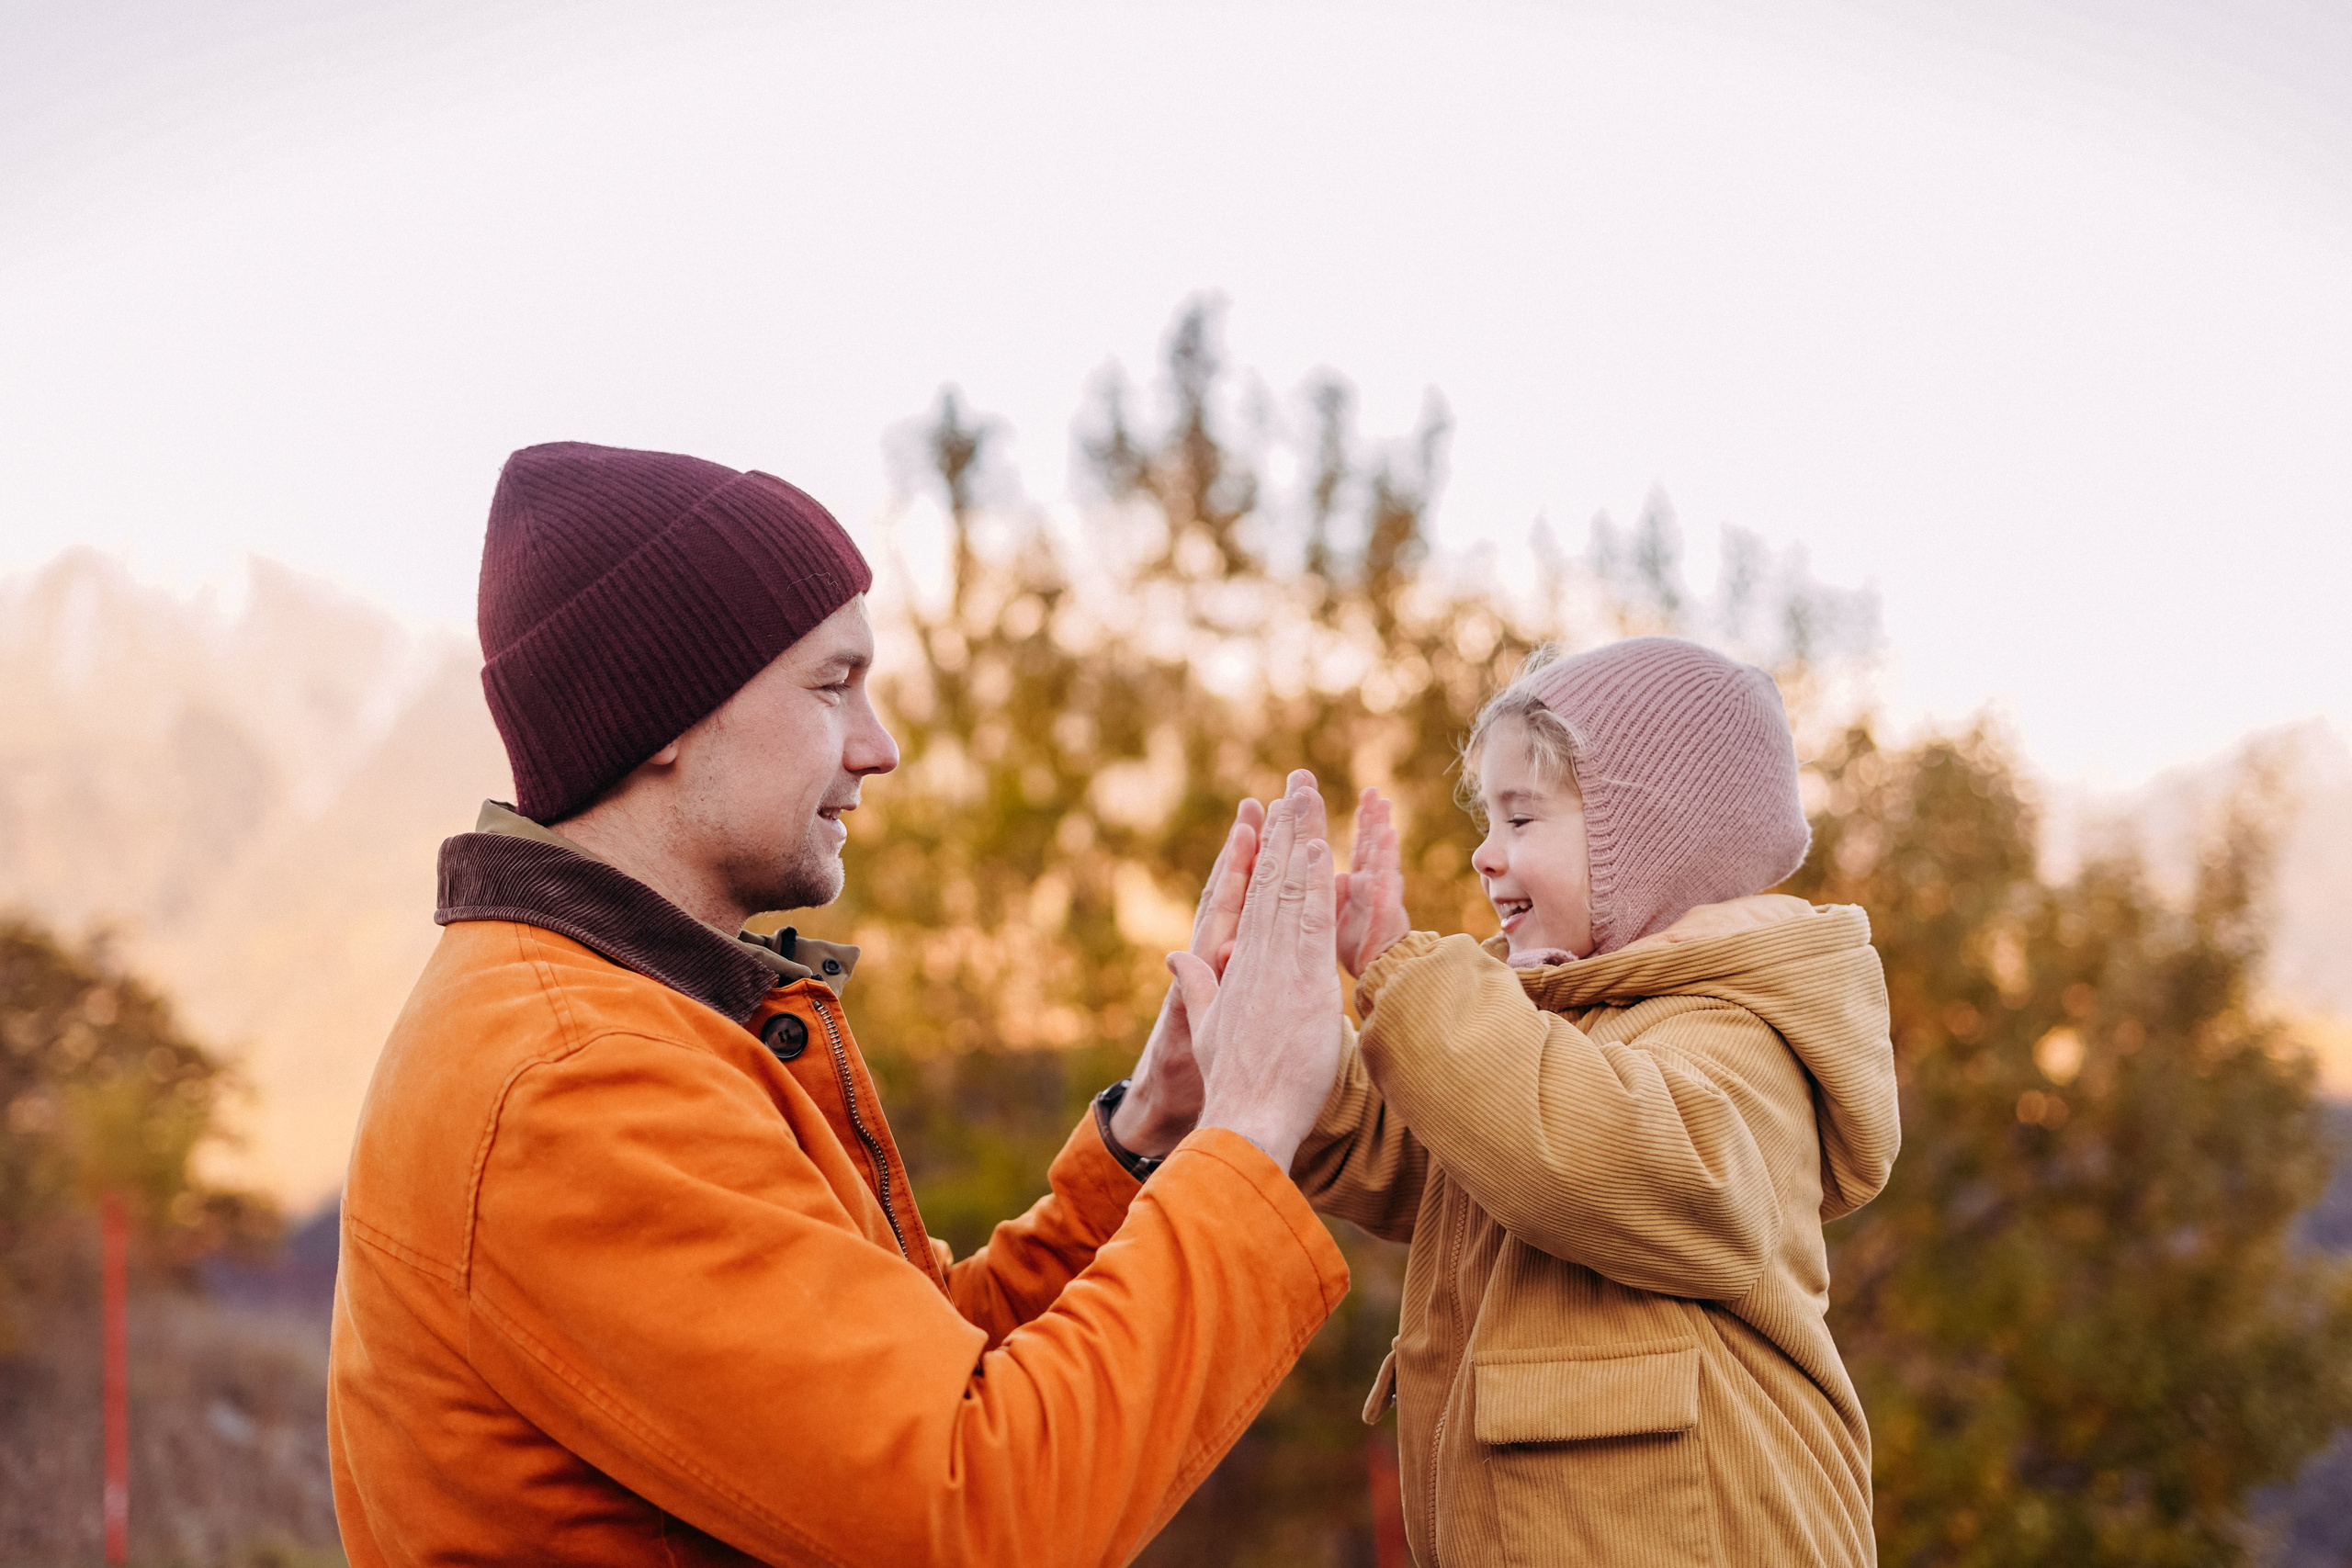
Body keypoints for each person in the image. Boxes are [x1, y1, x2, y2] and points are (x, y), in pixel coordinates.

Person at [327, 441, 1351, 1566]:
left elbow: (910, 1398)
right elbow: (973, 1510)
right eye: (831, 684)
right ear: (661, 713)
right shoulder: (576, 1085)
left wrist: (1152, 1132)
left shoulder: (615, 1023)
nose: (880, 746)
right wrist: (1251, 1132)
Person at [1271, 636, 1903, 1566]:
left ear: (1648, 842)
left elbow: (1591, 1154)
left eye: (1521, 821)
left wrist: (1405, 978)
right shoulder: (1558, 1032)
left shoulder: (1737, 1033)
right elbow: (1426, 1144)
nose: (1486, 856)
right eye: (1488, 821)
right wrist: (1276, 1057)